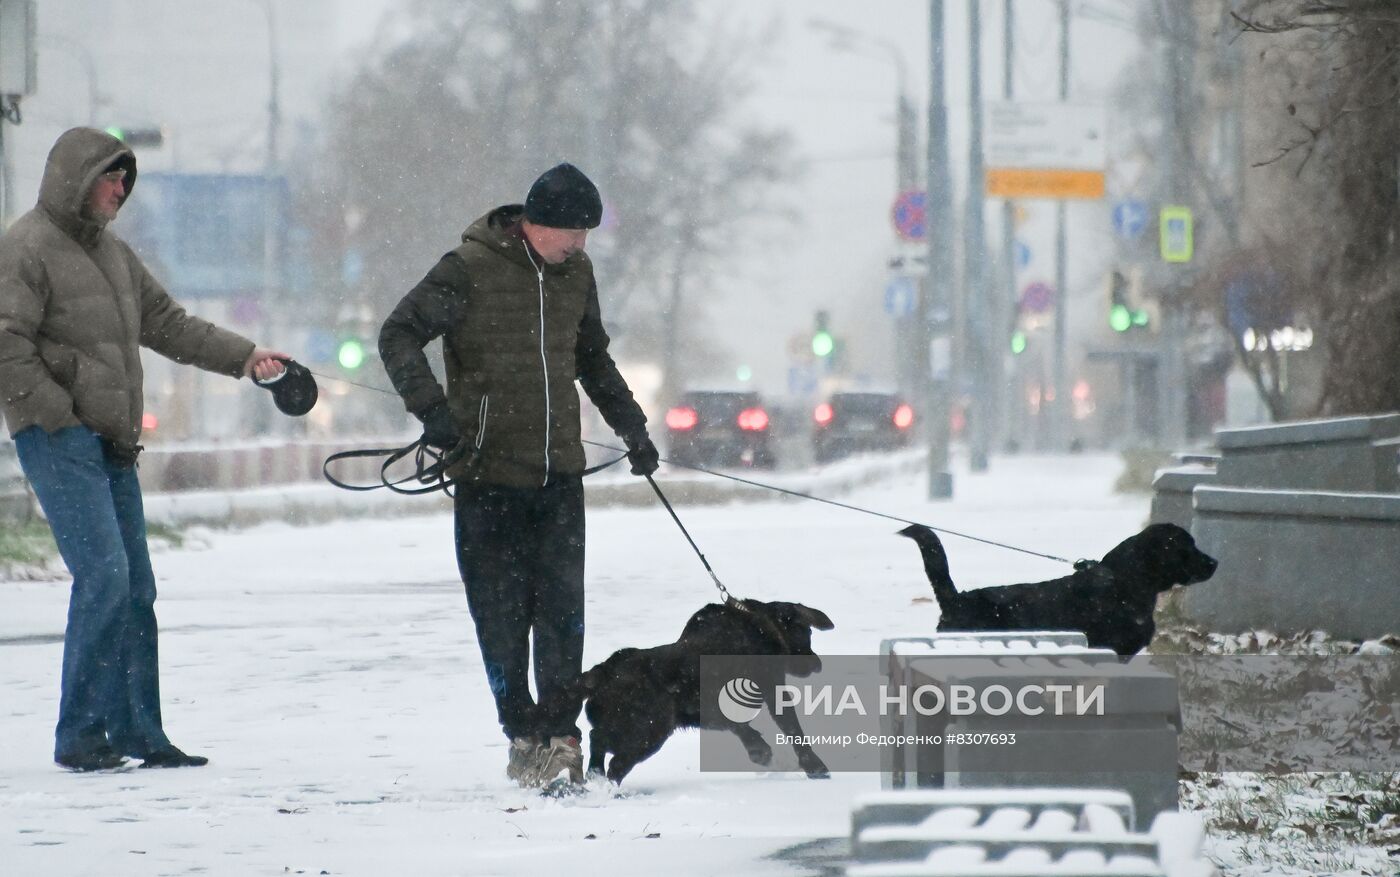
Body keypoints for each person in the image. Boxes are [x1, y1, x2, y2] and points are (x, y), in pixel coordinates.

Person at [0, 127, 289, 771]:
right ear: (76, 178)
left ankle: (136, 730)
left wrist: (246, 358)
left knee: (136, 588)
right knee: (104, 576)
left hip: (114, 443)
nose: (121, 189)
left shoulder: (115, 256)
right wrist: (57, 416)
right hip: (59, 441)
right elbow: (6, 344)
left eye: (126, 179)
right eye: (111, 176)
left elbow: (169, 324)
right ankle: (81, 733)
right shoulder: (24, 249)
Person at [378, 163, 660, 787]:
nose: (580, 245)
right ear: (534, 223)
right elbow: (398, 334)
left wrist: (632, 426)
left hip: (560, 475)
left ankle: (561, 738)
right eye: (570, 233)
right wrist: (433, 411)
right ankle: (522, 735)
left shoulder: (576, 275)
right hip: (486, 477)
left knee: (562, 614)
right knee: (502, 620)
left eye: (587, 234)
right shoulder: (469, 269)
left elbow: (592, 358)